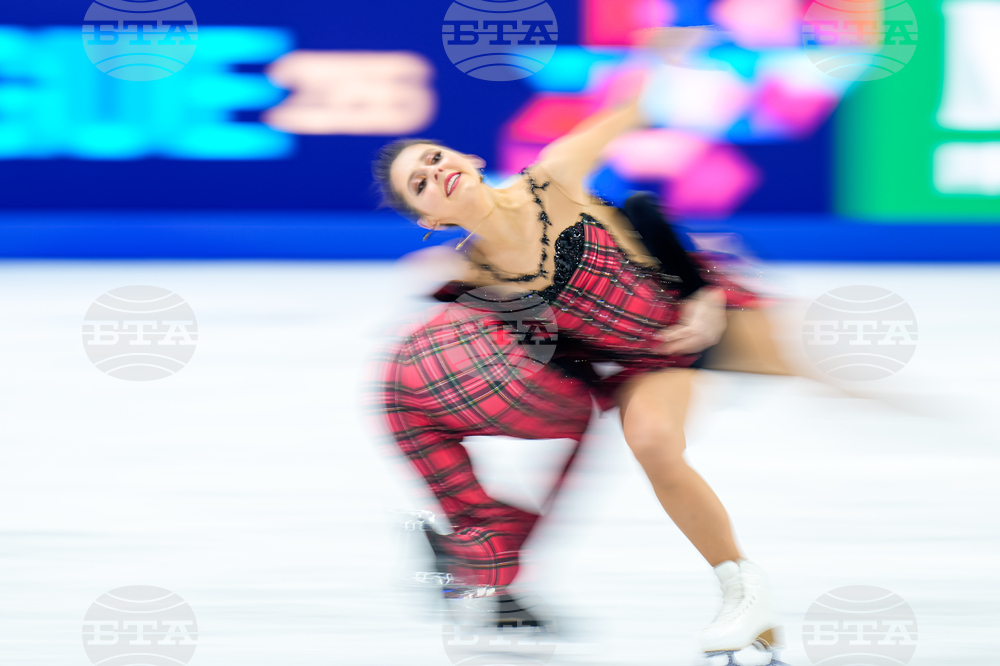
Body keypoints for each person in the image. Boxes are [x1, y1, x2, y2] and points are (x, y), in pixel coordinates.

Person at [370, 26, 789, 662]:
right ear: (430, 220)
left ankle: (488, 556)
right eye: (420, 184)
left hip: (692, 303)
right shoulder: (474, 274)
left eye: (434, 158)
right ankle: (741, 587)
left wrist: (652, 58)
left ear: (469, 159)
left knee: (840, 379)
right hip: (648, 362)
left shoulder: (551, 178)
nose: (435, 172)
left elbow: (628, 112)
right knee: (648, 440)